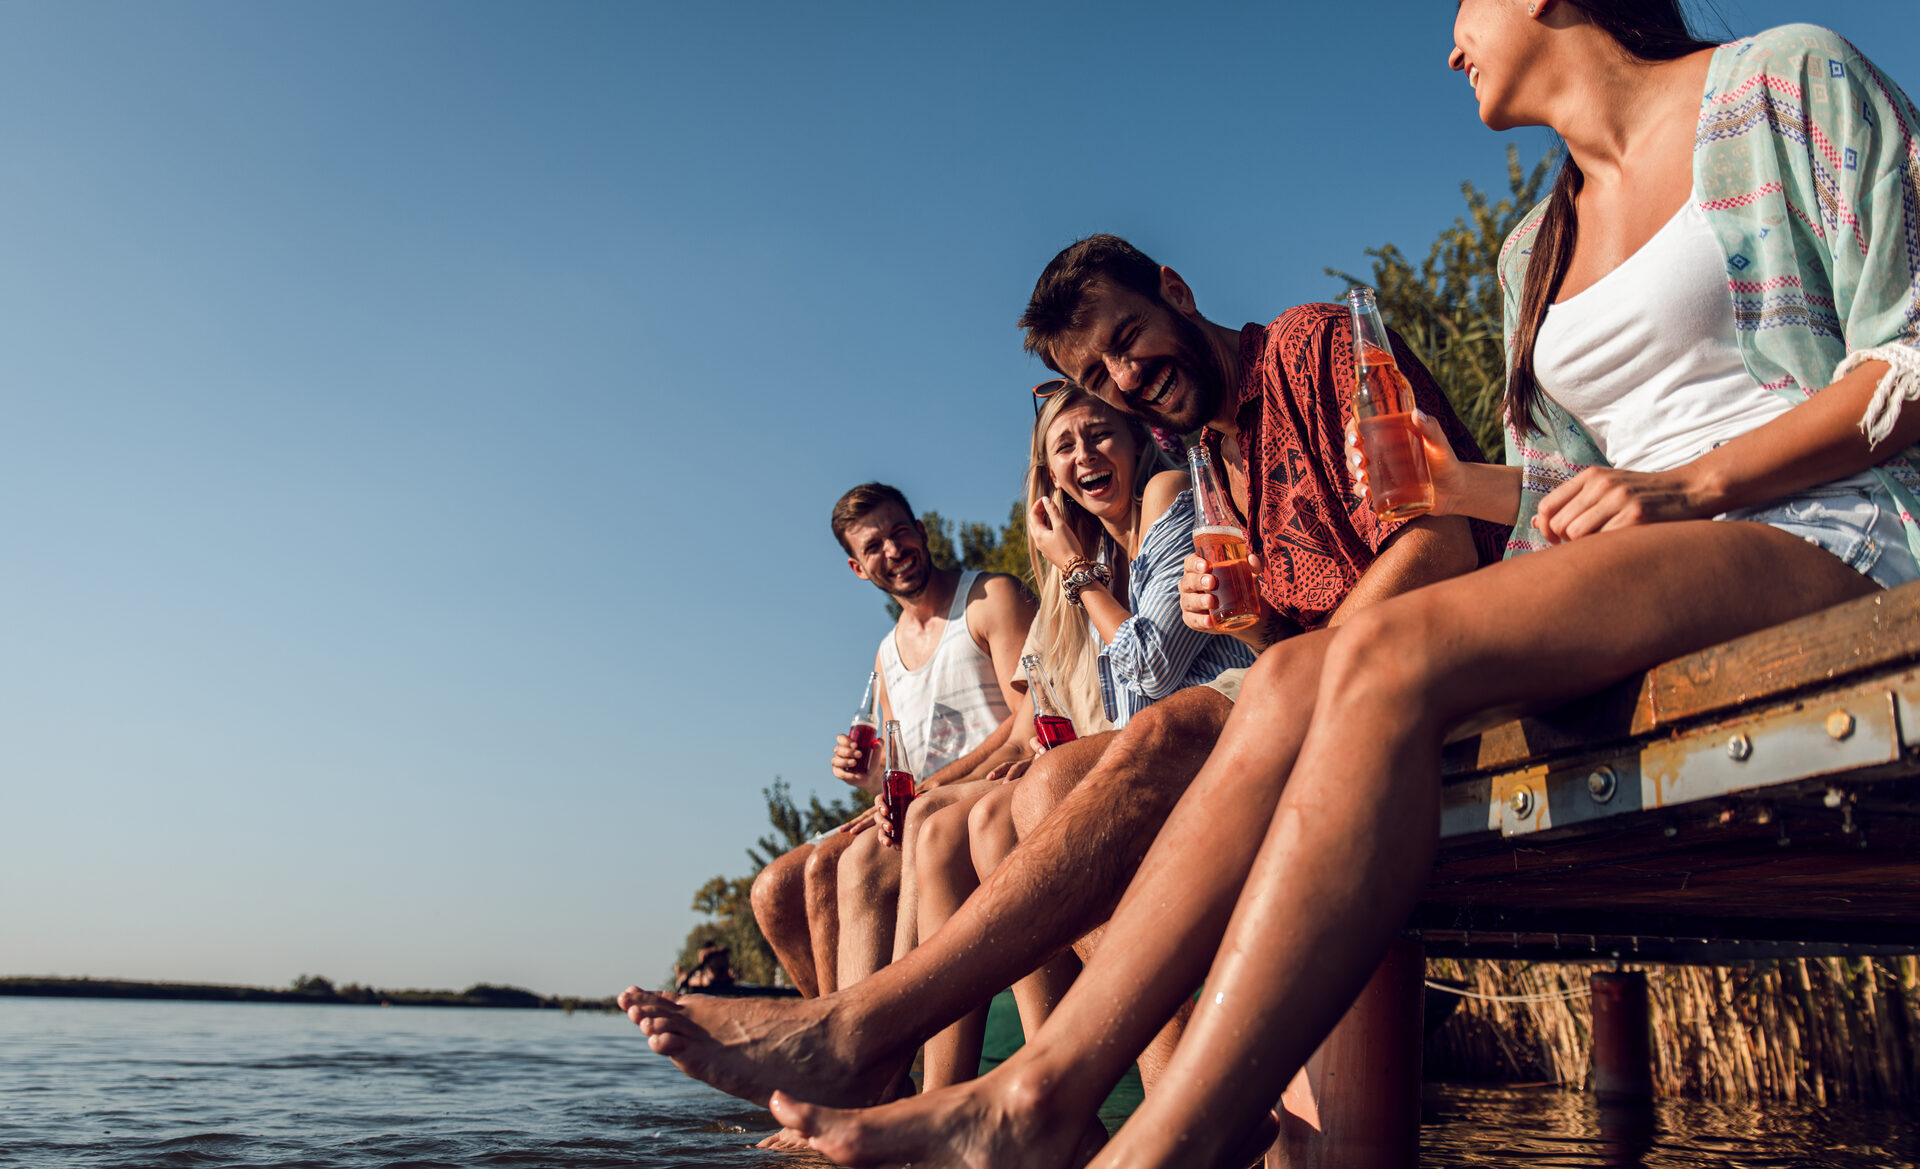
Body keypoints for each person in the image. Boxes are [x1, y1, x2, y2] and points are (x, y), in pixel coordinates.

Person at [756, 9, 1920, 1168]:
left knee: (1352, 660)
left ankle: (1096, 1117)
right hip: (1631, 566)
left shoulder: (1782, 80)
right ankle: (1039, 1092)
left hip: (1828, 528)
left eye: (1464, 8)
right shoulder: (1533, 248)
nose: (1450, 45)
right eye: (1092, 374)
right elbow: (1559, 488)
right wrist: (1452, 501)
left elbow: (1904, 359)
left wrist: (1685, 484)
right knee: (1230, 703)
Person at [616, 235, 1507, 1128]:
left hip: (1437, 661)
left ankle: (870, 1035)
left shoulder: (1310, 346)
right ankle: (1132, 1104)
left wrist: (1283, 660)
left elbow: (1441, 542)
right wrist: (1254, 626)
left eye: (1127, 338)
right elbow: (1249, 643)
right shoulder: (1213, 457)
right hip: (1320, 694)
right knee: (1049, 784)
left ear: (1176, 289)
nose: (1125, 376)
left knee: (1152, 737)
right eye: (1098, 370)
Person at [911, 385, 1259, 1092]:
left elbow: (1153, 669)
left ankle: (1152, 1088)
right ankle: (1017, 1091)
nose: (1083, 456)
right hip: (1160, 748)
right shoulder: (1103, 556)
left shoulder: (1165, 494)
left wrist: (1074, 572)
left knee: (1030, 799)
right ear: (1048, 480)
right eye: (1062, 448)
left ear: (1137, 442)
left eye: (1097, 435)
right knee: (978, 817)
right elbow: (1051, 708)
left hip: (1231, 727)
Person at [746, 483, 1033, 1015]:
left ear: (922, 532)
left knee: (838, 863)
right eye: (873, 545)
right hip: (921, 800)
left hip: (980, 794)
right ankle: (828, 1024)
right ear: (858, 568)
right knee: (775, 887)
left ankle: (854, 1036)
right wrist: (873, 778)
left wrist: (924, 790)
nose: (893, 550)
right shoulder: (885, 653)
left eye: (900, 532)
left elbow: (1028, 721)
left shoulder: (990, 597)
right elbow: (903, 768)